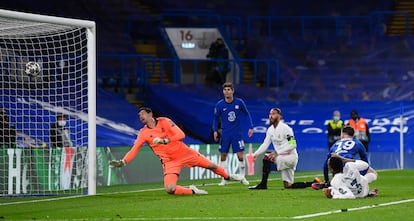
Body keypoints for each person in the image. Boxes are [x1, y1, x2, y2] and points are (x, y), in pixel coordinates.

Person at [109, 107, 245, 195]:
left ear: (150, 114)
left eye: (143, 114)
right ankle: (193, 191)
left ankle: (229, 177)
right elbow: (134, 149)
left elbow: (181, 135)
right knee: (170, 189)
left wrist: (164, 141)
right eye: (139, 115)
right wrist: (123, 162)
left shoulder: (165, 121)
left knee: (212, 166)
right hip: (169, 162)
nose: (141, 117)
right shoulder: (143, 133)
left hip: (184, 153)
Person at [249, 108, 320, 190]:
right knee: (288, 185)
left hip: (290, 157)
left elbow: (293, 145)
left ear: (280, 117)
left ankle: (263, 184)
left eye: (273, 114)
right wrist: (256, 154)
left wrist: (277, 152)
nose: (271, 116)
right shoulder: (270, 130)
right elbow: (265, 144)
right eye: (270, 114)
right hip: (282, 157)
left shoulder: (286, 129)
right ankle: (314, 183)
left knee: (266, 158)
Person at [212, 82, 253, 186]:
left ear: (233, 91)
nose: (227, 92)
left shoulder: (239, 102)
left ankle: (242, 177)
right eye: (225, 90)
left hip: (237, 133)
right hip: (225, 133)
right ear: (223, 92)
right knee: (223, 155)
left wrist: (250, 127)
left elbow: (246, 113)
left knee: (240, 156)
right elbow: (216, 118)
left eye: (229, 90)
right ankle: (224, 178)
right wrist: (215, 130)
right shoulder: (220, 105)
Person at [313, 126, 368, 190]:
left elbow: (325, 165)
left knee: (338, 182)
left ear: (343, 134)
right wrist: (361, 175)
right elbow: (365, 159)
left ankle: (332, 185)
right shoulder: (358, 143)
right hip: (348, 164)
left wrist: (326, 180)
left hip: (335, 165)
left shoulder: (336, 143)